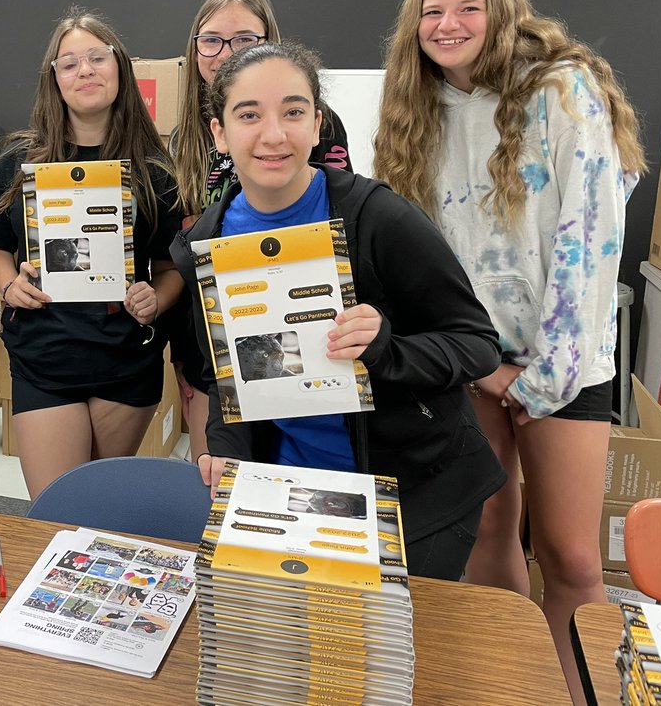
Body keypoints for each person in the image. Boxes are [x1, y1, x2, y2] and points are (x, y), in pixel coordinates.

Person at [372, 0, 644, 703]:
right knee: (488, 530)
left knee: (573, 558)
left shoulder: (561, 91)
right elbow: (417, 255)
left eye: (467, 7)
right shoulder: (414, 111)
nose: (448, 24)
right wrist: (474, 363)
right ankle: (507, 688)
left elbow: (590, 242)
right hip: (469, 362)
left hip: (561, 367)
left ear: (502, 11)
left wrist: (541, 379)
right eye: (432, 11)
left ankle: (579, 691)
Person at [172, 40, 505, 582]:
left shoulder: (378, 218)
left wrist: (386, 348)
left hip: (410, 495)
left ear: (317, 123)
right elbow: (222, 376)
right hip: (291, 491)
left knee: (397, 656)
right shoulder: (207, 242)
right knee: (309, 654)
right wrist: (228, 452)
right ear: (219, 133)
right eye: (249, 115)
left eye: (294, 112)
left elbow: (478, 345)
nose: (274, 134)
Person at [0, 9, 184, 500]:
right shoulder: (18, 161)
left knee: (102, 509)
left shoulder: (155, 170)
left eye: (97, 57)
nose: (85, 70)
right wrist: (9, 284)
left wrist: (155, 299)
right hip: (45, 356)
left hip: (125, 358)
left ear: (120, 69)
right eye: (69, 63)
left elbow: (171, 266)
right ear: (54, 79)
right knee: (57, 510)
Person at [167, 0, 353, 462]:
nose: (226, 53)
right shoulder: (183, 135)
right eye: (211, 40)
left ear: (270, 40)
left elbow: (331, 229)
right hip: (212, 338)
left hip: (300, 324)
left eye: (245, 39)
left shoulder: (315, 123)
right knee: (220, 472)